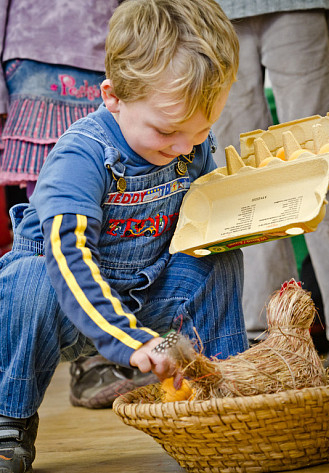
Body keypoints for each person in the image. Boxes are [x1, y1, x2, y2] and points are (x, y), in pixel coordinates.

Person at [0, 0, 248, 470]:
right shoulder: (81, 155)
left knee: (217, 253)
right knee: (29, 279)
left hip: (146, 293)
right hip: (64, 301)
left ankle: (225, 392)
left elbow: (202, 220)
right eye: (168, 131)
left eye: (200, 133)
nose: (183, 148)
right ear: (113, 97)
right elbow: (68, 258)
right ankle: (8, 416)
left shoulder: (185, 143)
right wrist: (131, 343)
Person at [0, 0, 160, 410]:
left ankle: (99, 354)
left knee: (116, 208)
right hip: (34, 59)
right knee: (51, 217)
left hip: (115, 57)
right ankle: (23, 390)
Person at [213, 0, 329, 370]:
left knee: (326, 163)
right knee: (243, 180)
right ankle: (270, 335)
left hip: (299, 2)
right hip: (212, 11)